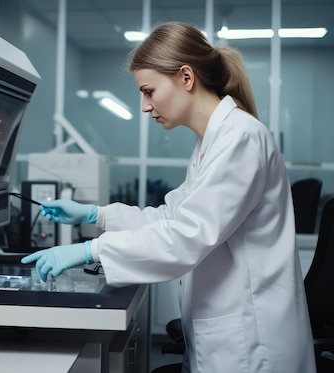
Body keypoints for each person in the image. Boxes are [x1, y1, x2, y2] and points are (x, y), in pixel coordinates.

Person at [22, 21, 316, 372]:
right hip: (229, 332)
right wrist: (95, 215)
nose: (145, 106)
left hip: (251, 343)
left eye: (149, 91)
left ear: (186, 78)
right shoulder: (213, 141)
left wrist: (91, 249)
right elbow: (171, 217)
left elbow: (186, 236)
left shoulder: (240, 139)